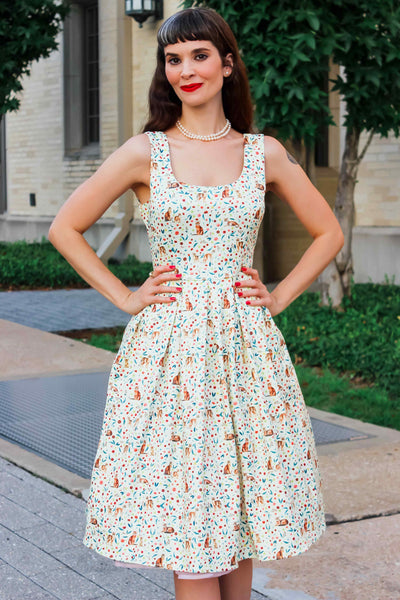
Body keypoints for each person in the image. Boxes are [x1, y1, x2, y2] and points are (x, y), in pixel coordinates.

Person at [48, 6, 344, 600]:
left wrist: (279, 294)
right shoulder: (145, 152)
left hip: (246, 350)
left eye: (200, 55)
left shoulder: (265, 153)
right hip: (170, 356)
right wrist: (126, 296)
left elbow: (329, 233)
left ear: (228, 65)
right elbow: (65, 227)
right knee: (193, 523)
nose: (186, 69)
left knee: (240, 516)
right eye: (173, 58)